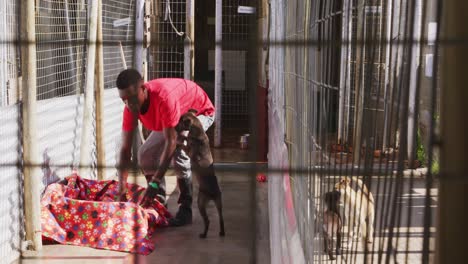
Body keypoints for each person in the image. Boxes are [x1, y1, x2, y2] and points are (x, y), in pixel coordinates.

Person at [116, 69, 215, 226]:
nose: (129, 104)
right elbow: (125, 149)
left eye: (133, 98)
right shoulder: (130, 109)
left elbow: (171, 142)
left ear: (143, 88)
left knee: (179, 151)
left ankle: (185, 207)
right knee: (145, 154)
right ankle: (159, 202)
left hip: (199, 112)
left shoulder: (163, 98)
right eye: (124, 100)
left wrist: (155, 181)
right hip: (174, 118)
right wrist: (121, 187)